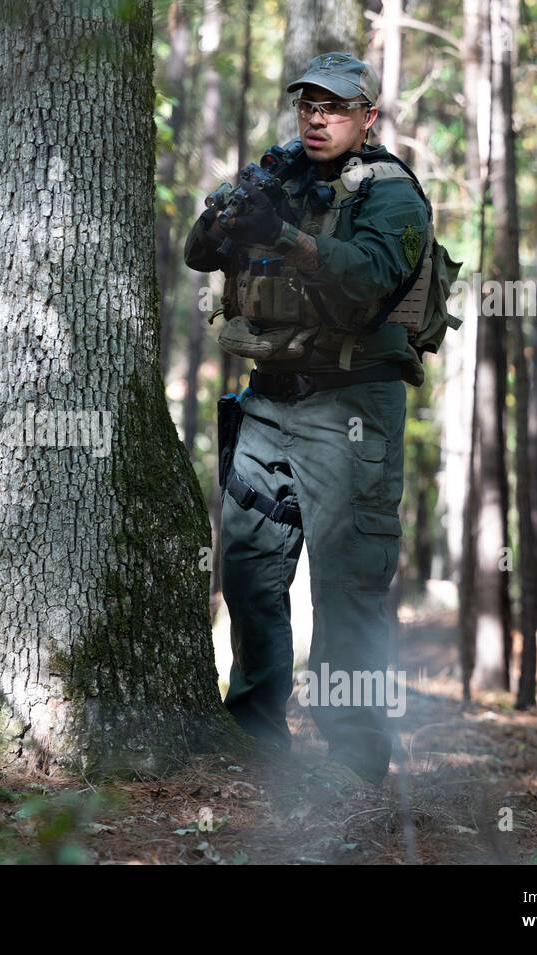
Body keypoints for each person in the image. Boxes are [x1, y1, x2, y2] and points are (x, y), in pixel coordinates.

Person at [184, 52, 432, 791]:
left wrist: (284, 236)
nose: (316, 118)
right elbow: (201, 254)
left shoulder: (392, 195)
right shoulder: (280, 174)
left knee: (347, 585)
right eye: (307, 105)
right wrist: (237, 208)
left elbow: (365, 281)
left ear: (366, 117)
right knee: (250, 570)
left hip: (352, 403)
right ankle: (256, 736)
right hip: (269, 400)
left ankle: (356, 761)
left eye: (334, 106)